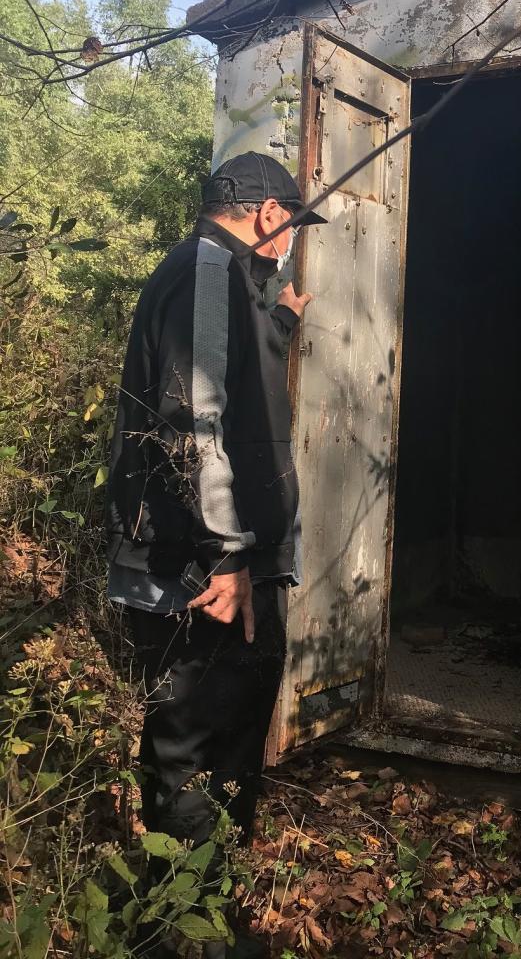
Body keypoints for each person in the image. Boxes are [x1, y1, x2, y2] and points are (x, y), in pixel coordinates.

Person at [106, 151, 323, 957]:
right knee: (197, 755)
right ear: (268, 215)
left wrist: (279, 319)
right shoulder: (204, 267)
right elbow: (190, 421)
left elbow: (227, 379)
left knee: (221, 750)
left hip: (208, 567)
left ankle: (203, 923)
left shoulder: (218, 278)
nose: (291, 244)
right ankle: (181, 937)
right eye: (292, 226)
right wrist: (227, 555)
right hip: (202, 575)